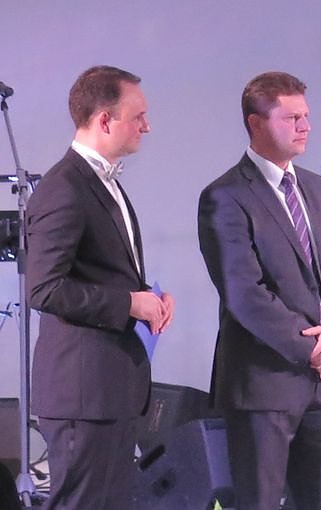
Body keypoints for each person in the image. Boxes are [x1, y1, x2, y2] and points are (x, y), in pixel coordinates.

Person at [197, 71, 321, 510]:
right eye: (291, 118)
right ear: (256, 123)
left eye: (306, 116)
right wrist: (313, 348)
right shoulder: (225, 196)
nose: (305, 126)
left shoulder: (316, 188)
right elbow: (244, 293)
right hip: (264, 385)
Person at [26, 65, 174, 509]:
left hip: (109, 391)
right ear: (105, 120)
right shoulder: (64, 187)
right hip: (83, 396)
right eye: (138, 116)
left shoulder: (102, 183)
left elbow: (100, 270)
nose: (147, 126)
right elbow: (44, 289)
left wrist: (148, 298)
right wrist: (129, 303)